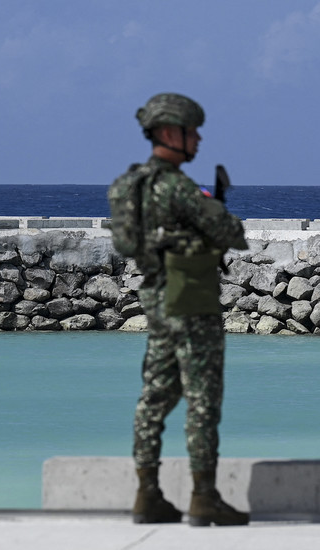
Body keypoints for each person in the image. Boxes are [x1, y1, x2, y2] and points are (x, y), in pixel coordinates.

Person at [107, 93, 250, 527]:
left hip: (156, 299)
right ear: (170, 133)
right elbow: (233, 233)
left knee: (155, 395)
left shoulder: (130, 184)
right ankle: (204, 496)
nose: (199, 138)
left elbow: (126, 243)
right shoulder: (177, 188)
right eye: (192, 131)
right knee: (203, 398)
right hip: (190, 300)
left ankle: (146, 493)